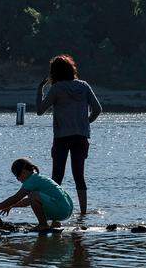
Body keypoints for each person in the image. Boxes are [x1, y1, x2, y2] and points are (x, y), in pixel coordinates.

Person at [36, 54, 101, 215]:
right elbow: (97, 109)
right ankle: (83, 213)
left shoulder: (57, 88)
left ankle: (53, 211)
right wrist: (85, 123)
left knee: (57, 177)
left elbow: (40, 111)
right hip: (81, 136)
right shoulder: (84, 86)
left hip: (62, 137)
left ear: (54, 72)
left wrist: (39, 90)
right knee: (79, 175)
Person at [0, 158, 74, 230]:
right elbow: (28, 201)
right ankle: (55, 223)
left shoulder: (31, 180)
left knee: (33, 195)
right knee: (33, 196)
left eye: (17, 175)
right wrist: (11, 206)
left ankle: (43, 225)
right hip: (66, 210)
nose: (17, 179)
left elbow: (16, 197)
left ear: (24, 171)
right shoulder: (38, 178)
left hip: (61, 209)